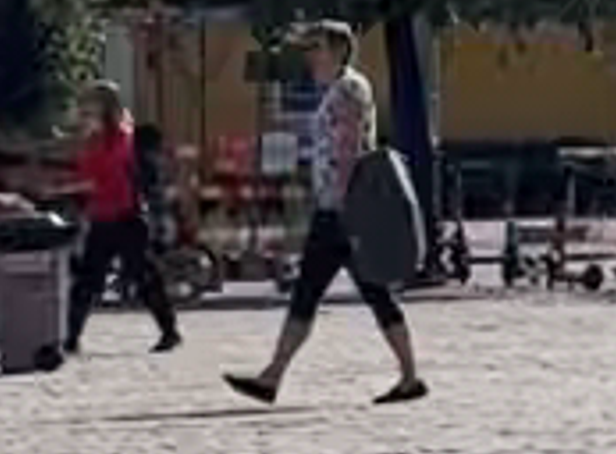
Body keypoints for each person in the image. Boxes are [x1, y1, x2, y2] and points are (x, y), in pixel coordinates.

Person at [228, 22, 429, 411]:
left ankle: (408, 376)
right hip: (333, 208)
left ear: (339, 50)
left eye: (316, 47)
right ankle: (273, 376)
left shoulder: (349, 89)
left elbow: (351, 149)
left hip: (345, 211)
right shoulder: (334, 90)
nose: (309, 55)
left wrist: (345, 207)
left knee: (369, 293)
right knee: (320, 292)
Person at [67, 93, 182, 355]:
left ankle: (169, 330)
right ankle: (70, 337)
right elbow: (88, 175)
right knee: (88, 280)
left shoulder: (123, 139)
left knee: (143, 276)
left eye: (90, 110)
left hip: (127, 216)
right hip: (102, 216)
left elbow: (112, 174)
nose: (86, 115)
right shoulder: (94, 141)